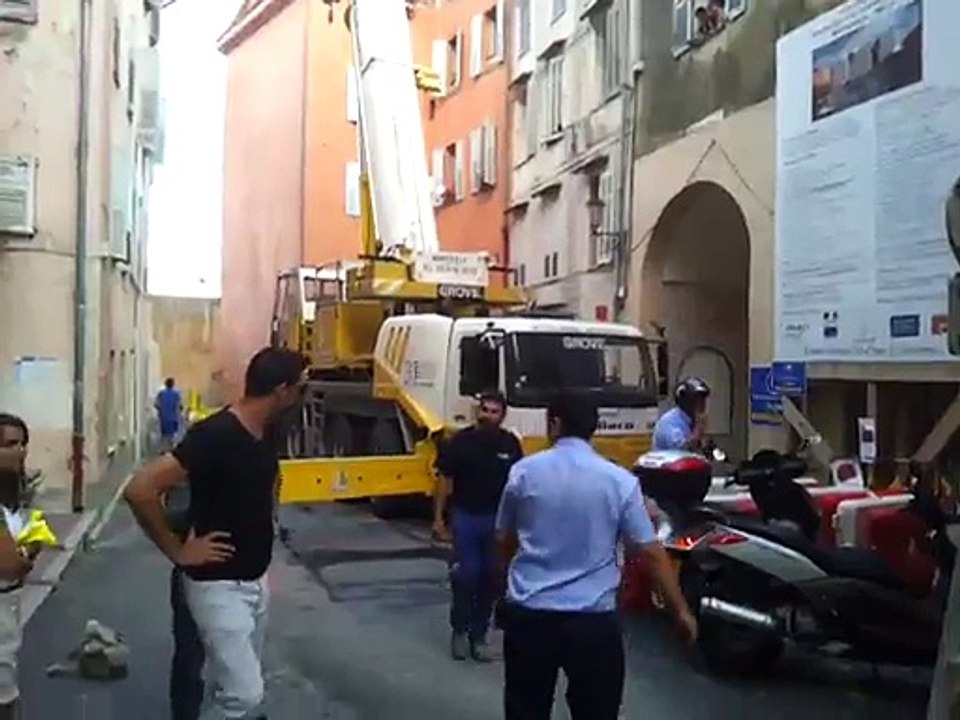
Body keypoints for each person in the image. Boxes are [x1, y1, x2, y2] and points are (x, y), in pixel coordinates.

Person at [126, 347, 307, 720]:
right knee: (244, 695)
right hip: (217, 585)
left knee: (235, 686)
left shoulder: (267, 432)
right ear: (282, 390)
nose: (304, 397)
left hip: (254, 583)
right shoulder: (217, 434)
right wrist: (178, 552)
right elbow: (140, 489)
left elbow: (262, 484)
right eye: (301, 388)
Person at [495, 394, 697, 720]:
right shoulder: (619, 481)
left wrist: (503, 586)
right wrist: (681, 612)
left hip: (530, 614)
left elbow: (504, 538)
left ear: (556, 423)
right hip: (592, 622)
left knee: (526, 709)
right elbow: (650, 551)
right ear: (594, 428)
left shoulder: (524, 473)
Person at [433, 391, 523, 663]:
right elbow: (443, 480)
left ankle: (479, 636)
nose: (488, 415)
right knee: (466, 576)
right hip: (466, 517)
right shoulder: (460, 442)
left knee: (491, 579)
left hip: (497, 520)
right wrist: (438, 519)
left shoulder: (510, 444)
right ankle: (459, 632)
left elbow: (519, 486)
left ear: (502, 415)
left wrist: (518, 525)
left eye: (494, 411)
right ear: (477, 411)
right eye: (484, 409)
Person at [0, 414, 42, 720]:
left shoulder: (15, 492)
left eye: (23, 443)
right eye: (10, 445)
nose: (21, 451)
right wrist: (25, 553)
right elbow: (11, 564)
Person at [652, 377, 711, 452]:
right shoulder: (669, 422)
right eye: (697, 399)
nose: (702, 404)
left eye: (703, 399)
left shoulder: (693, 419)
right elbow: (683, 450)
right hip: (668, 462)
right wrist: (698, 428)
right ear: (685, 401)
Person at [155, 378, 184, 452]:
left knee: (164, 435)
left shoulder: (161, 394)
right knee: (172, 435)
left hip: (163, 418)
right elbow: (180, 406)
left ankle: (163, 450)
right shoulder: (176, 394)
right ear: (173, 385)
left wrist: (161, 410)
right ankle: (171, 449)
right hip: (173, 418)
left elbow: (156, 404)